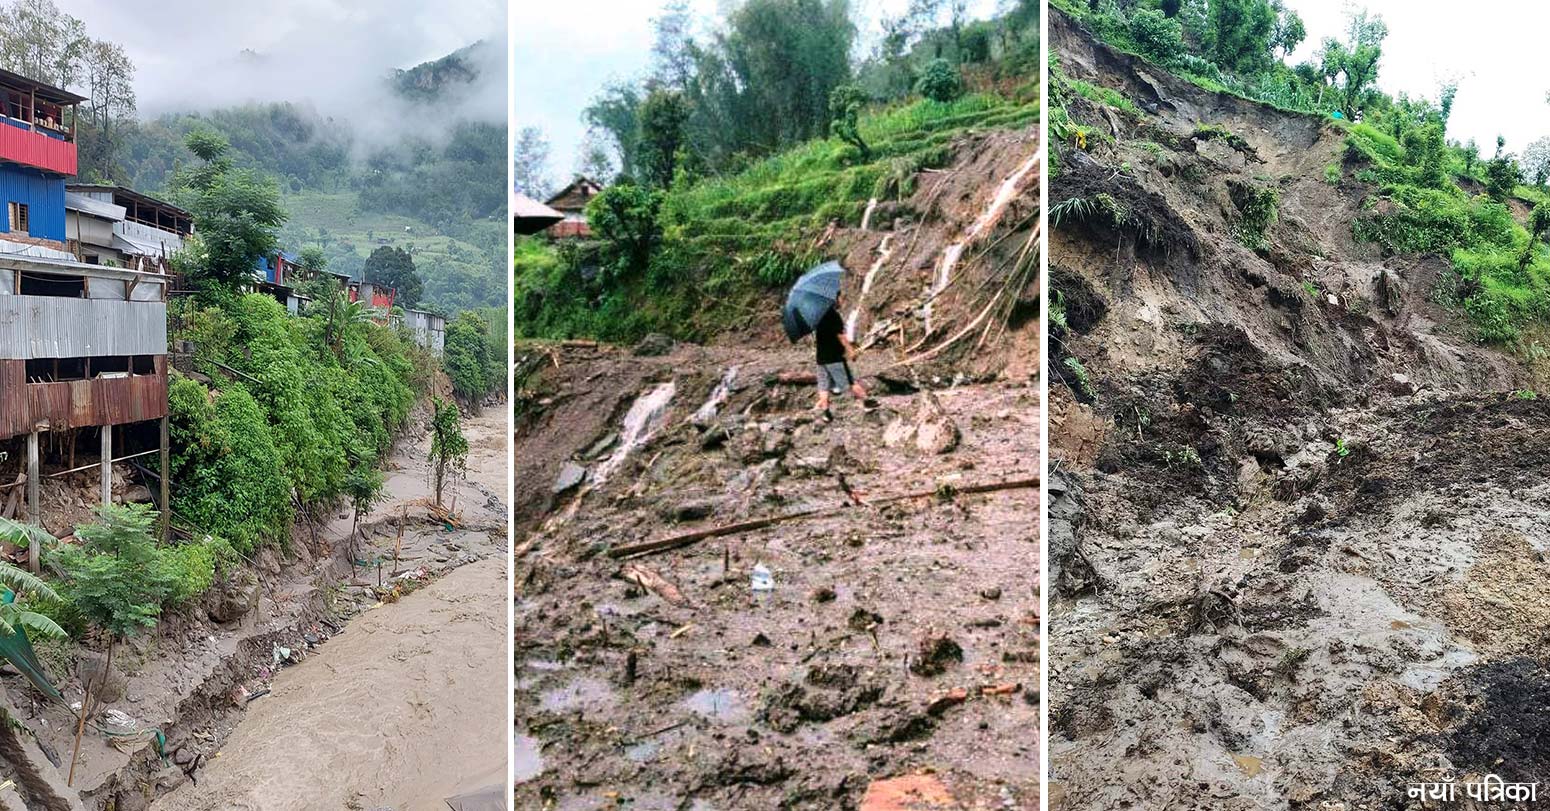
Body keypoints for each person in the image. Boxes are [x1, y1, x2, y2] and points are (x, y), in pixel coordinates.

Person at [812, 294, 868, 422]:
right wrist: (851, 351)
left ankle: (826, 413)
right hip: (834, 357)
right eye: (840, 298)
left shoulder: (818, 316)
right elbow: (841, 336)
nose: (842, 300)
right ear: (834, 300)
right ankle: (867, 402)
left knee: (823, 385)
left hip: (821, 357)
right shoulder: (833, 316)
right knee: (850, 381)